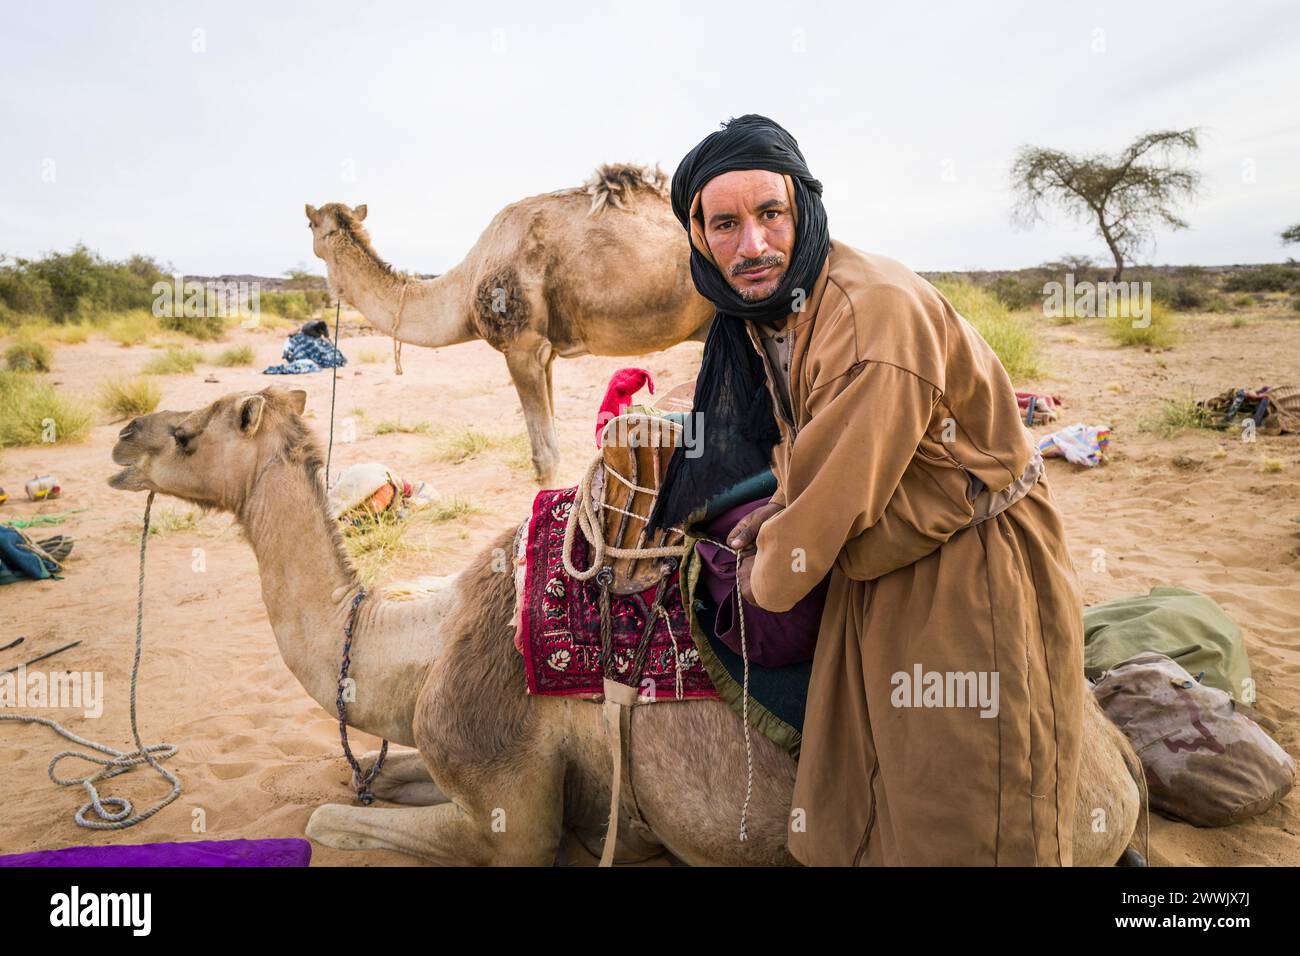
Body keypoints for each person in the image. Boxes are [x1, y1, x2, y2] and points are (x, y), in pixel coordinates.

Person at [648, 114, 1085, 866]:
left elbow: (826, 512)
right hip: (882, 555)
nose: (751, 245)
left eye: (770, 214)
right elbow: (819, 456)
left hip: (968, 565)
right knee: (872, 785)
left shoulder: (868, 313)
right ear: (697, 236)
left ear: (803, 210)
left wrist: (764, 566)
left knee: (968, 801)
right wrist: (781, 509)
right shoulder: (775, 311)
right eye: (725, 224)